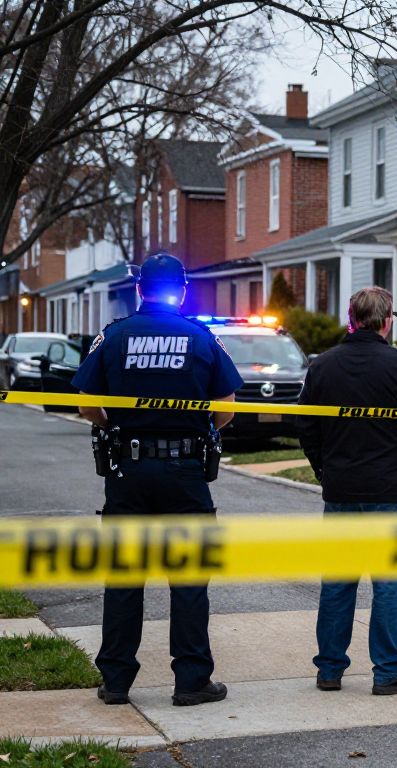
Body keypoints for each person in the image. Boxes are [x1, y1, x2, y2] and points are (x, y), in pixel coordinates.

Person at [72, 252, 242, 707]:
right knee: (188, 579)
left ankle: (116, 681)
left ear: (139, 289)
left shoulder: (113, 335)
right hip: (185, 472)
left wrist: (115, 426)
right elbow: (225, 406)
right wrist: (198, 432)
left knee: (124, 575)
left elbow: (87, 404)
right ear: (182, 290)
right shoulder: (201, 336)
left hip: (127, 471)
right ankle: (191, 681)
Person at [297, 286, 397, 695]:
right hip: (389, 489)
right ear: (386, 321)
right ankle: (387, 672)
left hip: (341, 489)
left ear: (351, 317)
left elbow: (305, 427)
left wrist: (324, 470)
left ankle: (329, 670)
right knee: (388, 584)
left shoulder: (323, 366)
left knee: (338, 582)